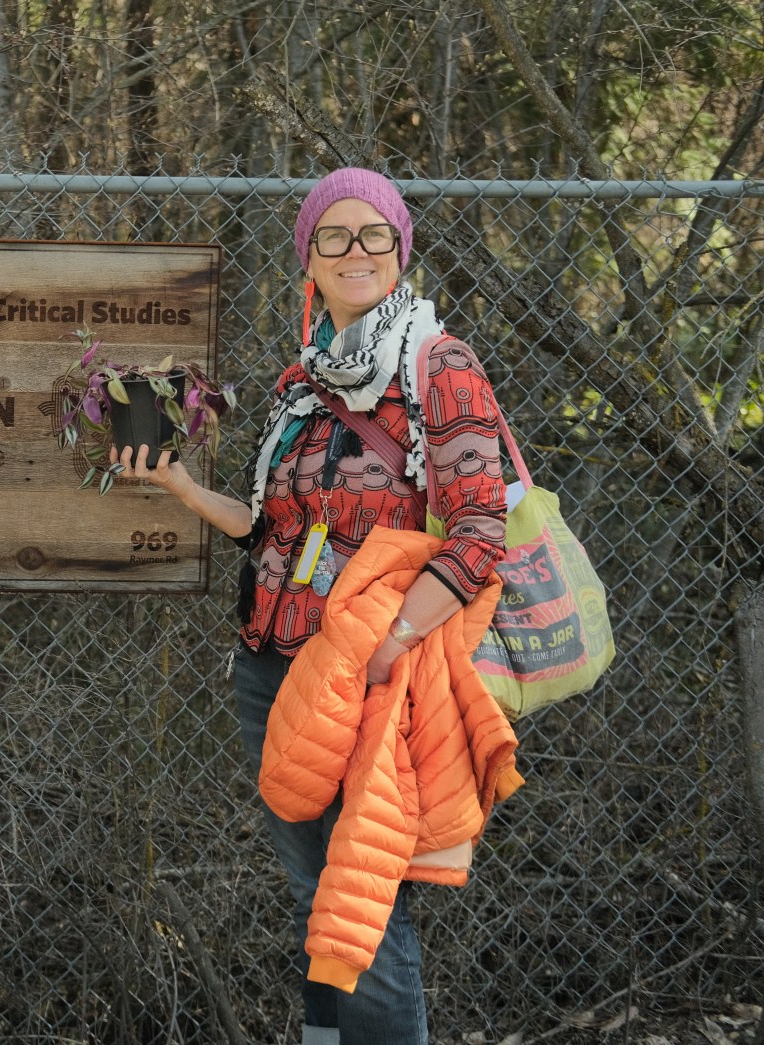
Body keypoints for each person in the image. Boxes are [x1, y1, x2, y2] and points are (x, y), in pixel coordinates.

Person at [116, 167, 509, 1045]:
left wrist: (390, 643)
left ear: (400, 251)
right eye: (334, 235)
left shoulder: (435, 363)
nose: (355, 250)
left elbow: (483, 530)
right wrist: (182, 488)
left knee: (359, 901)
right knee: (314, 896)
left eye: (375, 234)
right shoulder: (303, 381)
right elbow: (269, 524)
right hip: (273, 666)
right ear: (310, 259)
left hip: (371, 672)